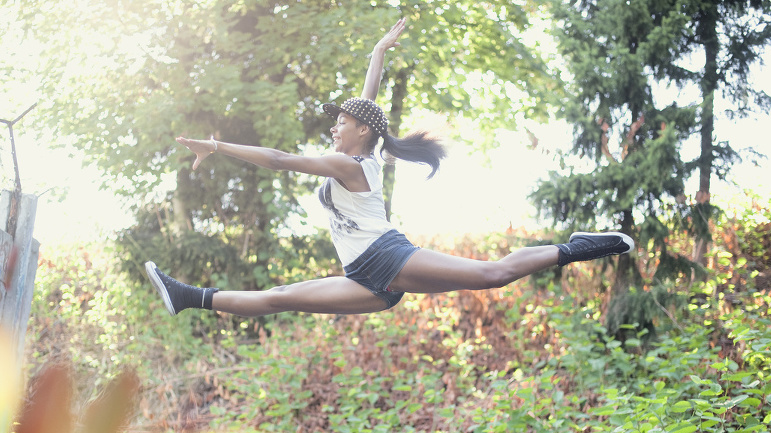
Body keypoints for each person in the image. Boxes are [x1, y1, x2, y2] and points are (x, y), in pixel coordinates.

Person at [145, 17, 634, 318]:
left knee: (492, 273)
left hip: (385, 256)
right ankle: (188, 297)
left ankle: (574, 248)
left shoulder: (348, 162)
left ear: (361, 132)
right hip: (363, 275)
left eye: (341, 122)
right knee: (281, 298)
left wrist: (216, 144)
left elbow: (277, 160)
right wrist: (377, 54)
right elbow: (369, 103)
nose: (335, 127)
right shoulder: (364, 150)